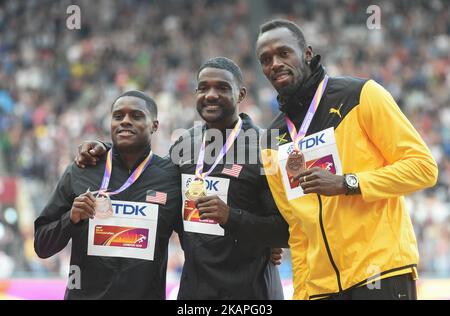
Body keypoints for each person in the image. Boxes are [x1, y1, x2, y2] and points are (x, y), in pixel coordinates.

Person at [75, 57, 290, 300]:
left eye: (221, 88)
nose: (210, 95)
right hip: (195, 292)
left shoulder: (266, 147)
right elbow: (147, 176)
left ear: (240, 95)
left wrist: (233, 218)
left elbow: (289, 230)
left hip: (251, 294)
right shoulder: (185, 144)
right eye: (203, 88)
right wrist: (105, 149)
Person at [256, 19, 438, 300]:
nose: (275, 63)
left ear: (306, 53)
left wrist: (347, 183)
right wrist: (303, 293)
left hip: (381, 273)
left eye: (283, 53)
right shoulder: (270, 142)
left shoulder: (362, 95)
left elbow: (423, 168)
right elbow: (298, 228)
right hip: (320, 289)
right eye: (266, 59)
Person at [34, 91, 182, 299]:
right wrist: (71, 219)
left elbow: (194, 244)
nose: (125, 122)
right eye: (118, 116)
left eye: (136, 116)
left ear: (155, 125)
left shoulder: (171, 178)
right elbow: (42, 245)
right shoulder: (82, 169)